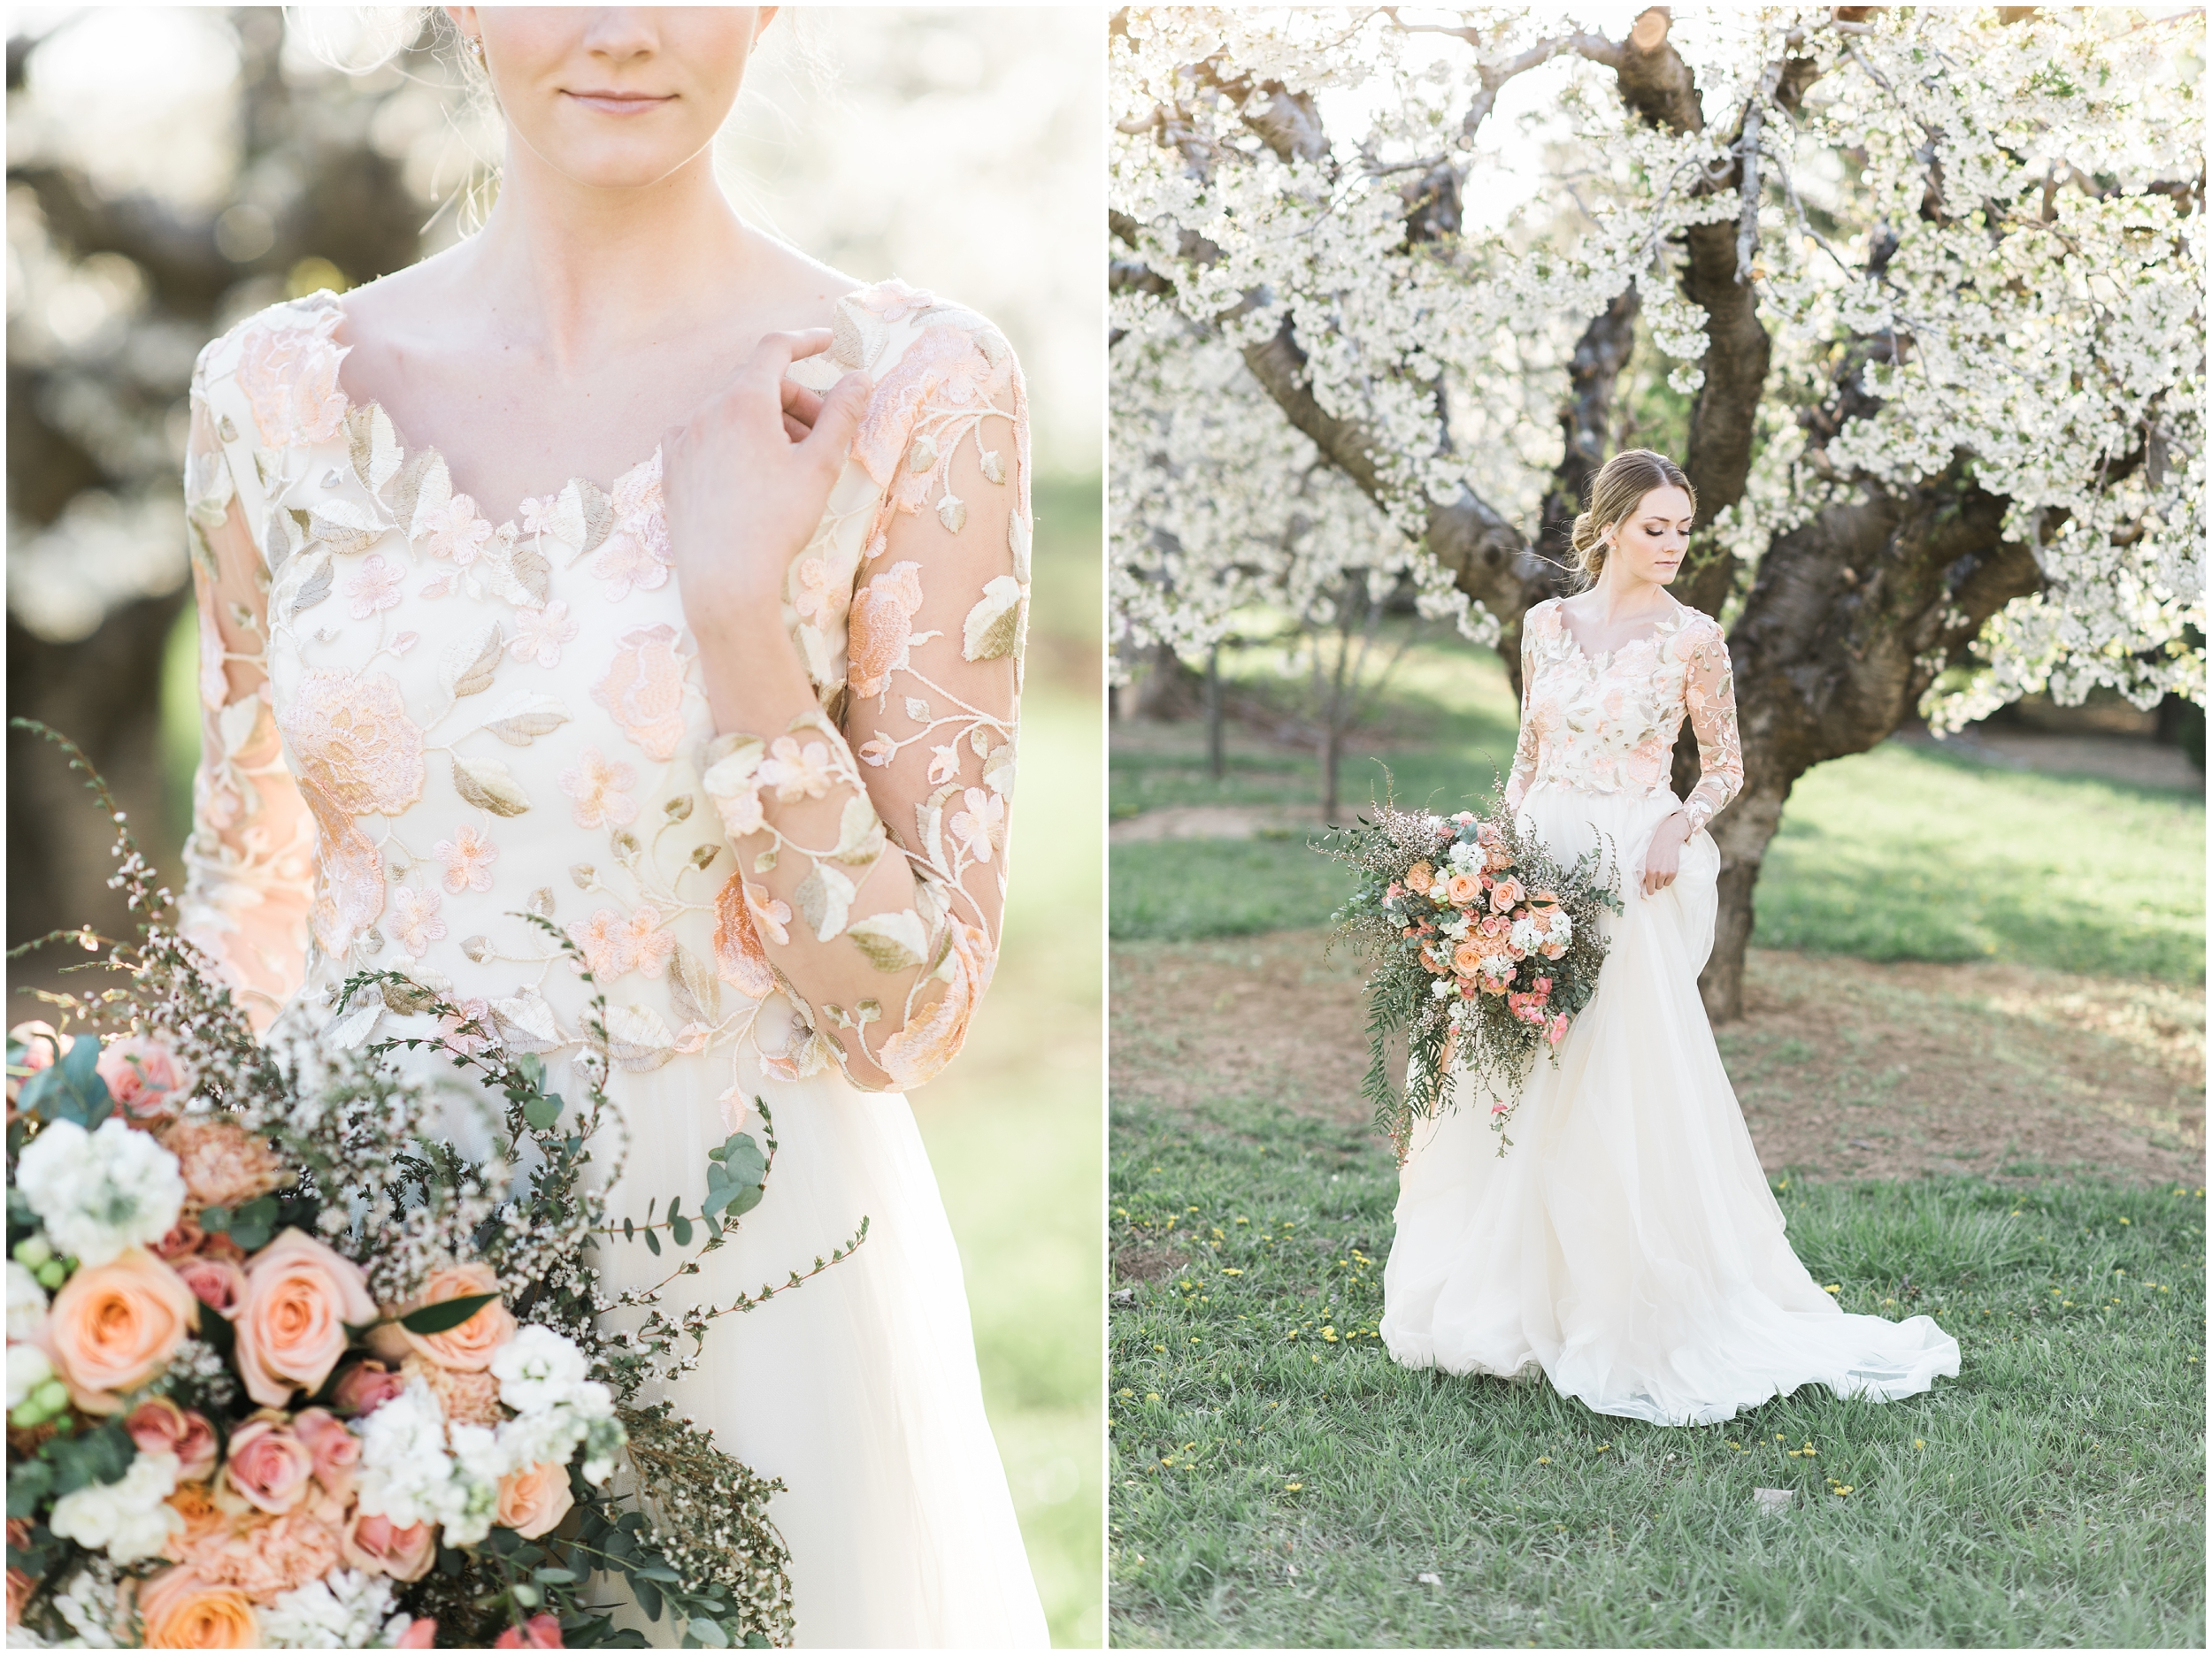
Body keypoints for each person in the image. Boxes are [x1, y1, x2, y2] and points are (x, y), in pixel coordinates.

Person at [176, 8, 1047, 1644]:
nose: (625, 28)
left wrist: (737, 621)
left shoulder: (916, 387)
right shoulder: (270, 394)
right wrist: (206, 1301)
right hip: (357, 1291)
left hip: (744, 1303)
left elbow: (908, 1013)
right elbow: (250, 905)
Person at [1379, 448, 1960, 1426]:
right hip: (1542, 856)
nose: (1673, 545)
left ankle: (1623, 1301)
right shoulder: (1541, 627)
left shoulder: (1693, 639)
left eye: (1683, 529)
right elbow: (1525, 758)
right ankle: (1513, 1297)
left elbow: (1725, 767)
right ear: (1607, 525)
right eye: (1656, 527)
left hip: (1625, 863)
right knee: (1514, 1073)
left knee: (1611, 1080)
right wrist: (1495, 867)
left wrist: (1673, 823)